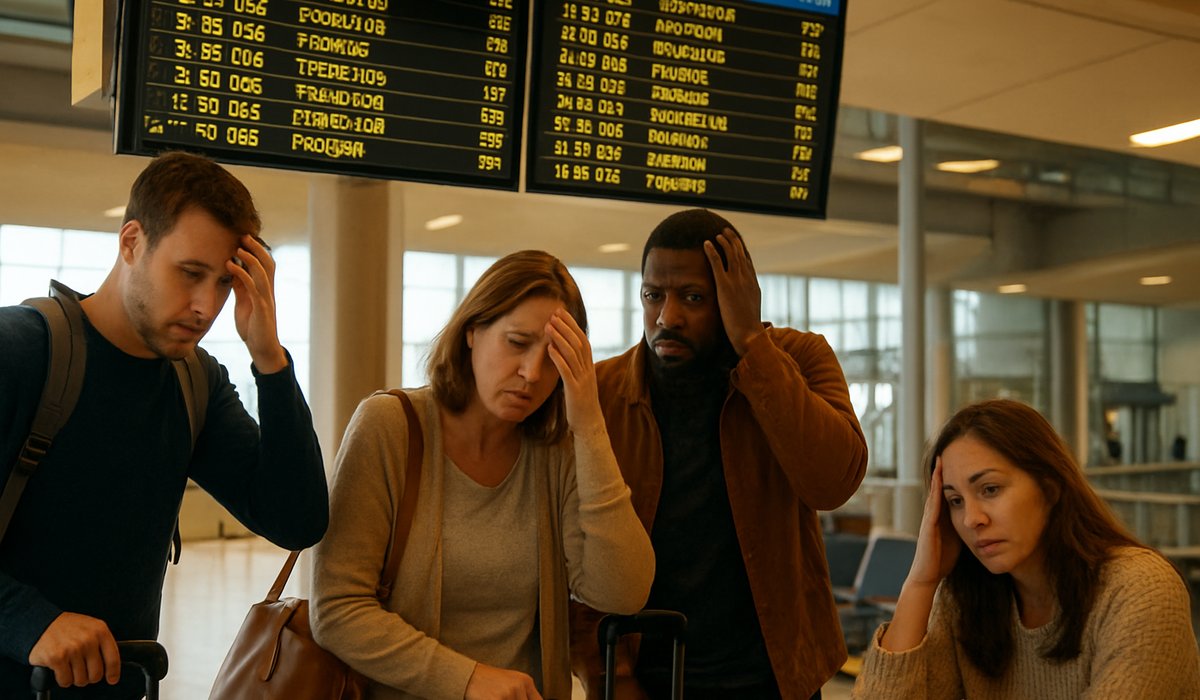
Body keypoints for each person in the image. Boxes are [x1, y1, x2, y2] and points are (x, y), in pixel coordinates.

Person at [0, 151, 329, 699]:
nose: (205, 306)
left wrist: (269, 358)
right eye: (190, 273)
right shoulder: (21, 351)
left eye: (223, 283)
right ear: (132, 242)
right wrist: (29, 621)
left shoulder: (195, 382)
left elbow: (297, 521)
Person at [310, 250, 655, 700]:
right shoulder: (390, 426)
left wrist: (589, 425)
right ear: (472, 331)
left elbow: (623, 592)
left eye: (553, 358)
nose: (531, 373)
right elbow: (337, 608)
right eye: (517, 342)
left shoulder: (555, 451)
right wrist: (469, 679)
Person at [570, 208, 869, 700]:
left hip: (775, 677)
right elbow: (575, 549)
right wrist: (612, 677)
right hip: (645, 676)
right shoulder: (601, 391)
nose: (667, 318)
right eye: (653, 295)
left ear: (736, 295)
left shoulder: (797, 360)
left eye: (693, 297)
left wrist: (753, 342)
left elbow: (833, 482)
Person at [853, 398, 1200, 699]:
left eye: (990, 489)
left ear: (1050, 487)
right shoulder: (964, 600)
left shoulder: (1140, 590)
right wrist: (920, 582)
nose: (972, 519)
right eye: (955, 501)